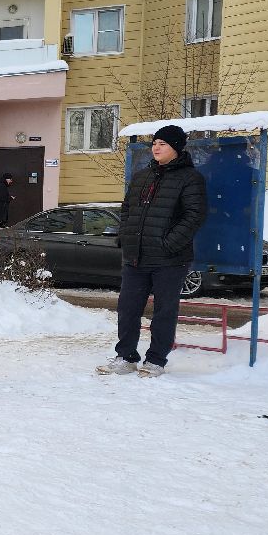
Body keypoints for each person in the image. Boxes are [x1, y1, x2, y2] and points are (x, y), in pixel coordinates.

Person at [99, 124, 208, 377]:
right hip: (136, 256)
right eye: (155, 143)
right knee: (127, 309)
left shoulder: (190, 178)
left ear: (177, 149)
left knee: (164, 311)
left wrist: (168, 244)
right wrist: (125, 238)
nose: (156, 147)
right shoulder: (141, 176)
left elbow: (195, 216)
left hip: (170, 260)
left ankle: (156, 360)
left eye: (163, 144)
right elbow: (127, 210)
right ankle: (125, 356)